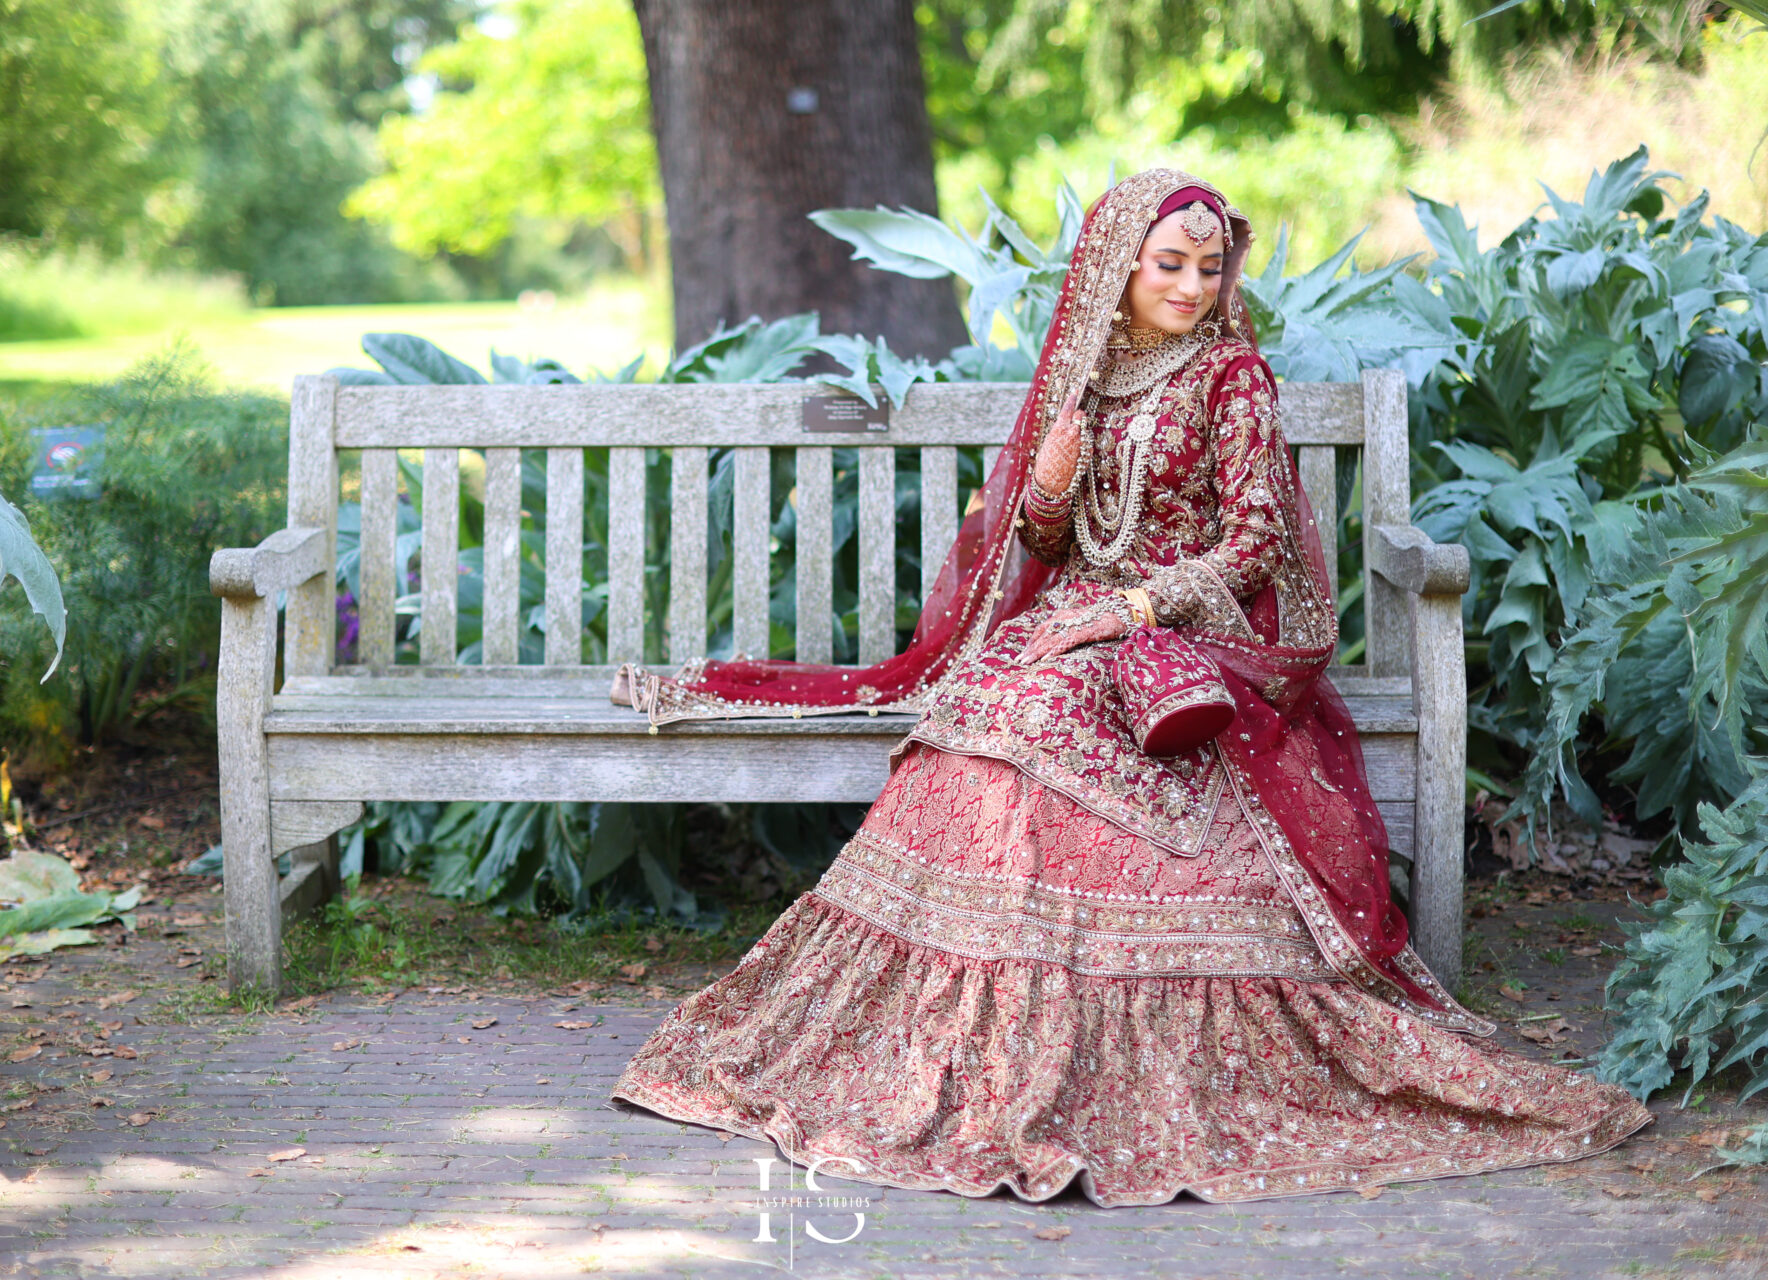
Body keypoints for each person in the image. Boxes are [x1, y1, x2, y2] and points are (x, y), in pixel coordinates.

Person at [607, 169, 1649, 1205]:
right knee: (989, 710)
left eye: (1208, 266)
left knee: (1048, 704)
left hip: (1191, 638)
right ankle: (971, 1035)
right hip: (1078, 622)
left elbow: (1254, 543)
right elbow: (1054, 544)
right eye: (1170, 265)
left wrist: (1141, 608)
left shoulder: (1232, 378)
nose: (1193, 286)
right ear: (1118, 269)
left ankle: (1079, 1027)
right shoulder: (1089, 376)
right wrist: (1051, 486)